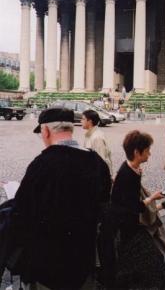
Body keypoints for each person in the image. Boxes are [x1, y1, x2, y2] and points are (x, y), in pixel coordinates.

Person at [9, 108, 111, 290]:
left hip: (47, 268)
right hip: (83, 261)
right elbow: (103, 207)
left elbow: (20, 215)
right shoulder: (97, 163)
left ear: (46, 131)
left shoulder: (41, 166)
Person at [110, 130, 165, 290]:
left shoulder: (131, 169)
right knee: (152, 267)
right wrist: (153, 198)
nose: (150, 154)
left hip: (129, 230)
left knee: (144, 269)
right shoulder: (128, 175)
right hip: (129, 232)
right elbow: (135, 207)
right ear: (136, 152)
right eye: (147, 150)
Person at [81, 109, 113, 176]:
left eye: (83, 119)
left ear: (89, 121)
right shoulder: (90, 134)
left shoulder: (97, 138)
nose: (81, 121)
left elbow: (100, 162)